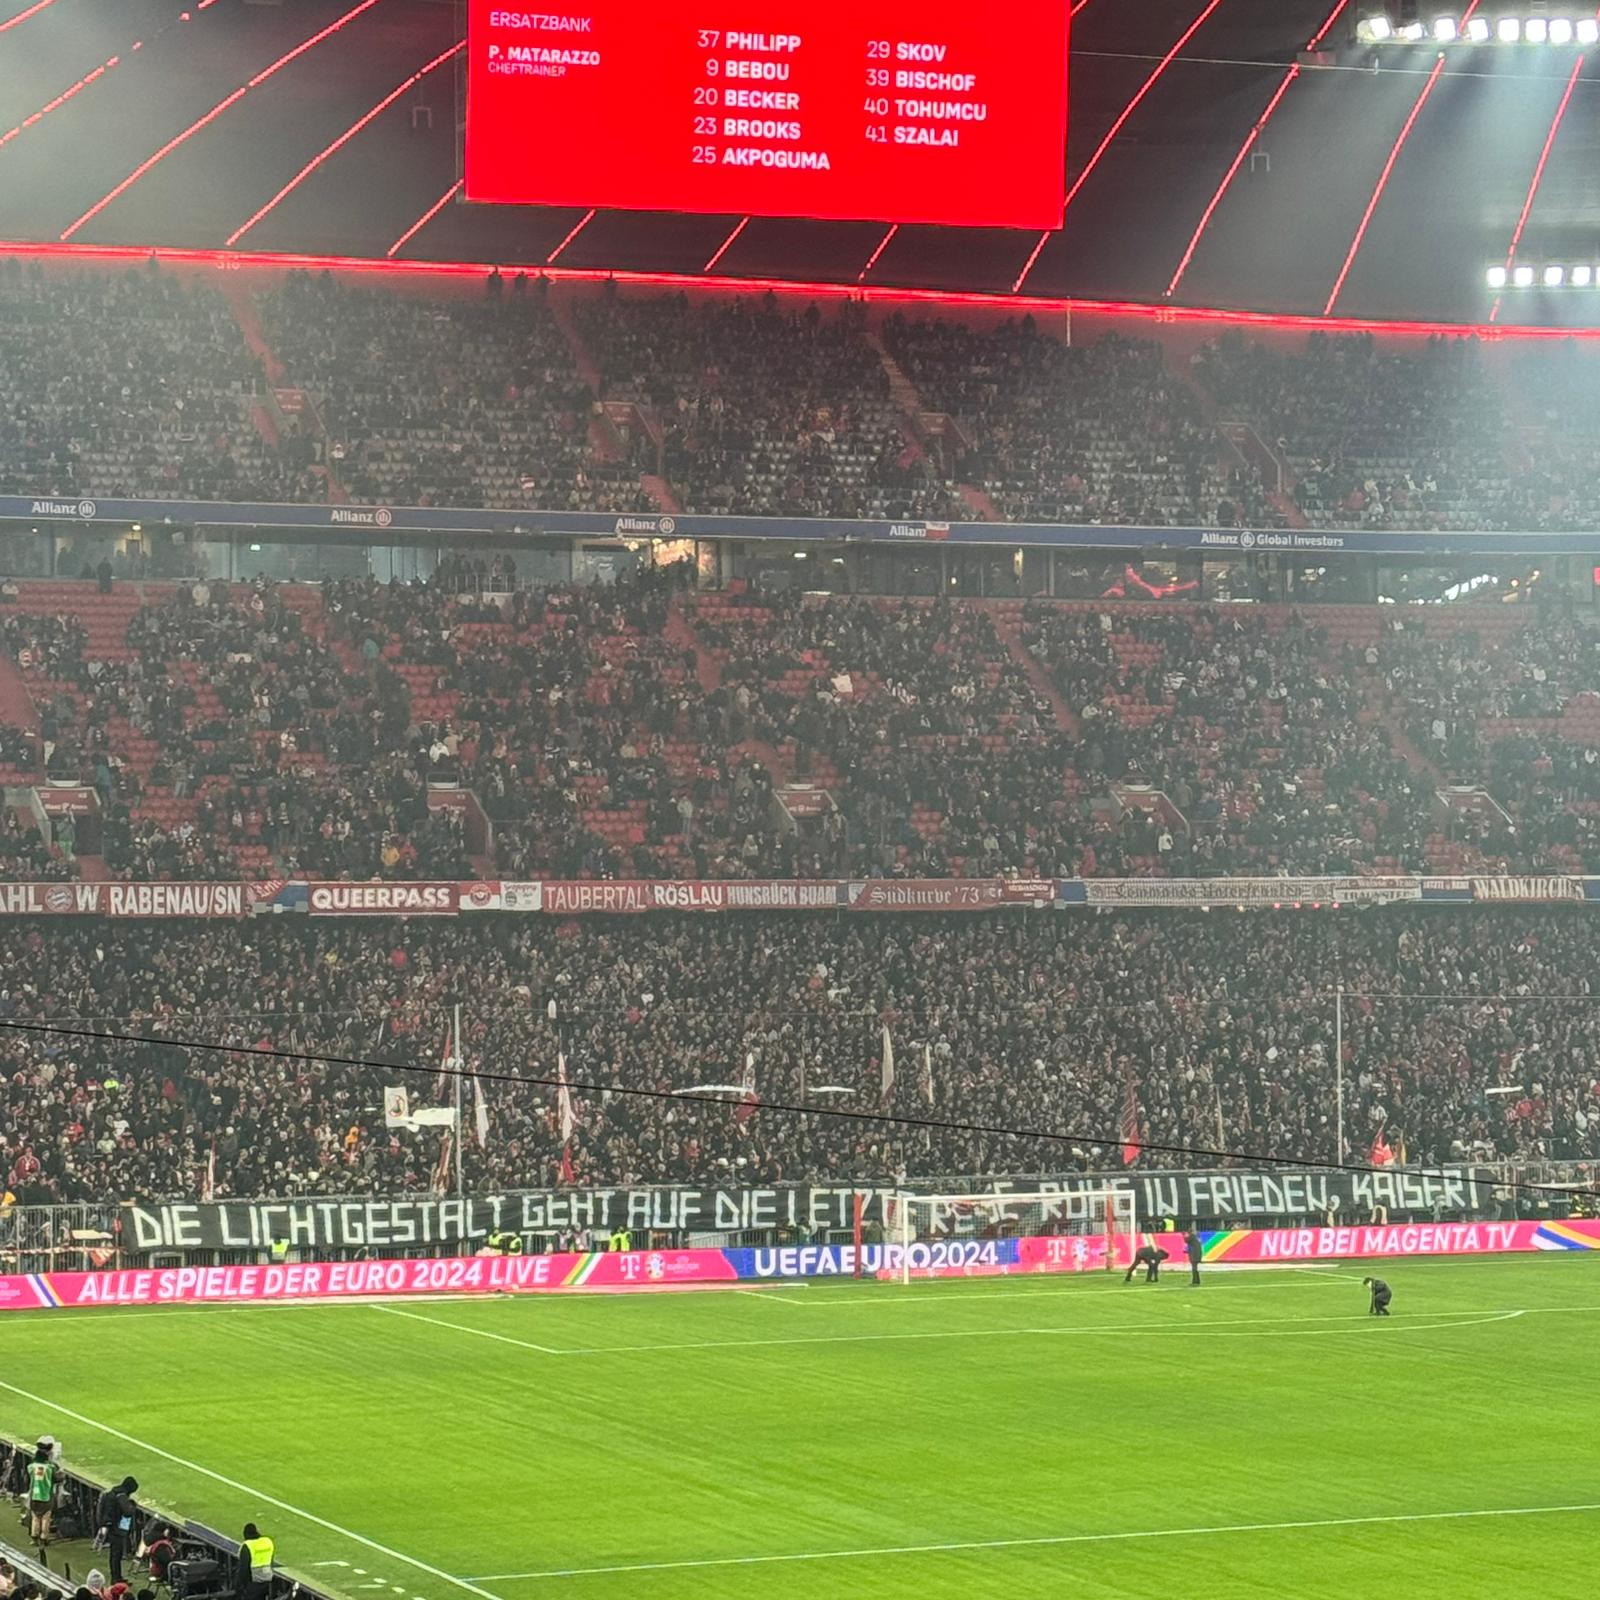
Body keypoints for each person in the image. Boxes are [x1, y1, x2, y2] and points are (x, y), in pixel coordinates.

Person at [105, 1478, 138, 1583]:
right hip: (116, 1528)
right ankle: (116, 1578)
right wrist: (132, 1505)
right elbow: (128, 1511)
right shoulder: (121, 1496)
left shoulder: (114, 1493)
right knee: (116, 1554)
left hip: (113, 1527)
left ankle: (116, 1577)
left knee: (115, 1554)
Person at [25, 1442, 57, 1546]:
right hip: (46, 1497)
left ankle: (34, 1536)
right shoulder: (50, 1468)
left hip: (34, 1496)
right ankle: (44, 1538)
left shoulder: (31, 1467)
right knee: (45, 1518)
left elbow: (27, 1479)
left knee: (35, 1517)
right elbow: (56, 1479)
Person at [237, 1524, 274, 1600]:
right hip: (269, 1579)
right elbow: (271, 1559)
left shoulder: (247, 1546)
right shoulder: (267, 1541)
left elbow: (243, 1568)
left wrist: (239, 1585)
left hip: (254, 1582)